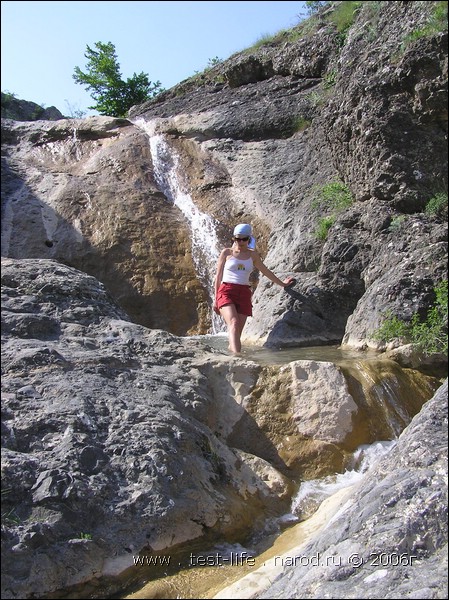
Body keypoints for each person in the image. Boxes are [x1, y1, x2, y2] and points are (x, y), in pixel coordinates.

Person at [213, 223, 296, 354]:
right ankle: (238, 359)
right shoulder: (226, 253)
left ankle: (231, 354)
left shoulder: (253, 256)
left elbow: (266, 271)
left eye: (244, 239)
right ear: (234, 238)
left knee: (236, 334)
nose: (240, 242)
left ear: (249, 239)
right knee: (233, 323)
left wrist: (283, 284)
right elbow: (217, 277)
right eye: (237, 239)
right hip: (226, 290)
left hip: (244, 293)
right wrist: (215, 300)